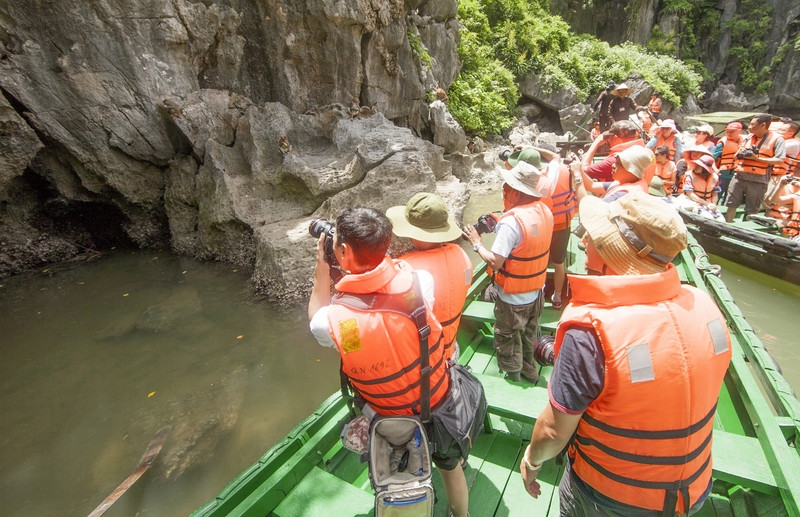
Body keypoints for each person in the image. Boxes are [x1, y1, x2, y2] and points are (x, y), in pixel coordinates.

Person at [520, 191, 732, 516]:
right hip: (693, 488)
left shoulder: (590, 330)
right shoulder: (703, 303)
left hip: (611, 495)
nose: (583, 242)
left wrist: (532, 461)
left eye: (592, 236)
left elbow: (552, 431)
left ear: (608, 255)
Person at [308, 207, 471, 517]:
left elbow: (320, 317)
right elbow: (396, 315)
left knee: (394, 482)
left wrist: (322, 263)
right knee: (451, 469)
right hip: (436, 401)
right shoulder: (419, 280)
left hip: (387, 418)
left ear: (341, 251)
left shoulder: (335, 319)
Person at [462, 160, 553, 384]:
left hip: (513, 299)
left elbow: (495, 262)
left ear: (516, 191)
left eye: (506, 186)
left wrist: (476, 243)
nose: (503, 189)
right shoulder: (544, 210)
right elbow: (527, 234)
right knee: (529, 335)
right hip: (536, 292)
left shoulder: (511, 223)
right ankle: (530, 373)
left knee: (508, 341)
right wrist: (501, 218)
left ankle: (513, 381)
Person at [387, 192, 473, 363]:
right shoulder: (461, 254)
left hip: (424, 359)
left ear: (412, 232)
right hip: (451, 347)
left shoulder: (404, 269)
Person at [724, 114, 786, 223]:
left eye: (752, 124)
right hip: (740, 176)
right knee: (731, 204)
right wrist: (740, 154)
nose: (749, 127)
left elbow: (780, 160)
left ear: (763, 125)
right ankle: (726, 226)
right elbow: (736, 155)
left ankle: (749, 233)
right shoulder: (748, 137)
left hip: (758, 179)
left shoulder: (777, 139)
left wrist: (757, 159)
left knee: (752, 209)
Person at [572, 144, 653, 202]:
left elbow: (588, 209)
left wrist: (577, 175)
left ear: (631, 170)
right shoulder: (624, 183)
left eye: (619, 164)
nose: (613, 165)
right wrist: (579, 168)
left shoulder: (624, 194)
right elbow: (592, 185)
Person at [676, 155, 723, 220]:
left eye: (699, 165)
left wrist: (714, 204)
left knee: (721, 220)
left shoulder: (714, 177)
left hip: (708, 204)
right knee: (709, 218)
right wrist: (706, 204)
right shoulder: (689, 175)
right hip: (692, 202)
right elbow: (690, 194)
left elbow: (715, 194)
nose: (696, 166)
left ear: (704, 169)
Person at [712, 121, 744, 204]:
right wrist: (714, 169)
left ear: (739, 131)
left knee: (731, 199)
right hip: (723, 174)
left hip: (737, 174)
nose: (729, 133)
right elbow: (711, 157)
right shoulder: (722, 144)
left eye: (732, 131)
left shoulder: (745, 142)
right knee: (717, 195)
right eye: (727, 131)